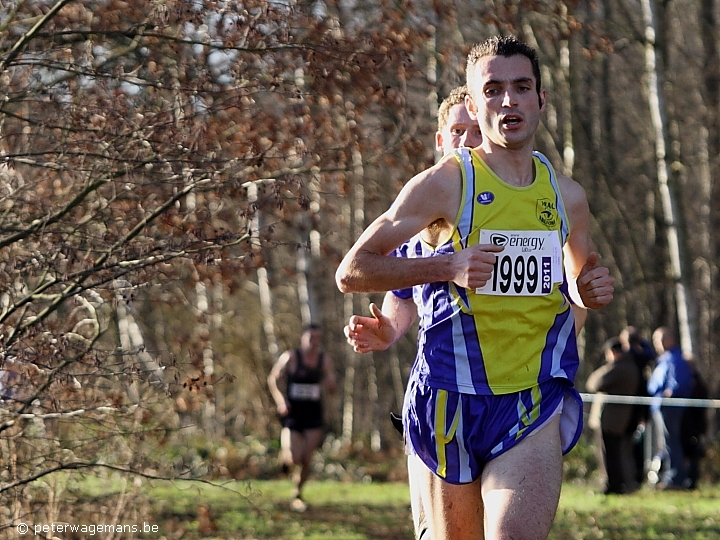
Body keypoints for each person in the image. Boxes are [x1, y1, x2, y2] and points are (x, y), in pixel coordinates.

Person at [336, 35, 614, 540]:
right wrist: (446, 267)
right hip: (449, 401)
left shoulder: (567, 196)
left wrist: (587, 290)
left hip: (532, 398)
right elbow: (353, 270)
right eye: (493, 90)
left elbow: (576, 282)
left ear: (541, 99)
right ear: (473, 100)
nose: (509, 101)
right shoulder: (444, 184)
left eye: (522, 88)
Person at [350, 84, 481, 540]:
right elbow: (401, 301)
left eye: (478, 131)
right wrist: (385, 331)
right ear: (441, 141)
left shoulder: (529, 205)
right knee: (437, 533)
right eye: (458, 131)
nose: (469, 141)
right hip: (438, 397)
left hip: (512, 395)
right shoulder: (422, 217)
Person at [267, 323, 337, 511]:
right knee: (294, 457)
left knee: (306, 459)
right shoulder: (291, 357)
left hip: (313, 414)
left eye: (317, 338)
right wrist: (281, 401)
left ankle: (297, 493)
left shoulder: (324, 360)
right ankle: (285, 460)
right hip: (293, 413)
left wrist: (331, 385)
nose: (314, 342)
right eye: (311, 338)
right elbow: (273, 378)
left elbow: (332, 386)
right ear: (303, 338)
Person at [585, 338, 640, 494]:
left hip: (611, 418)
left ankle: (612, 485)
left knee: (610, 454)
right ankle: (617, 483)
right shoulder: (629, 367)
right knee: (614, 452)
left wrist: (606, 367)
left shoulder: (620, 368)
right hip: (617, 418)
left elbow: (594, 383)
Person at [647, 326, 693, 489]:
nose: (657, 343)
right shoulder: (664, 358)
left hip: (669, 407)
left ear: (670, 339)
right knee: (665, 443)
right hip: (660, 406)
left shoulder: (675, 359)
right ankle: (670, 476)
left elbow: (679, 383)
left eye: (660, 339)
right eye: (655, 340)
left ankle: (675, 478)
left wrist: (668, 395)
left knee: (671, 442)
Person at [619, 325, 656, 484]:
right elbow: (651, 353)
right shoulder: (643, 355)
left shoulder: (627, 356)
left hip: (631, 405)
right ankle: (637, 475)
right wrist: (642, 342)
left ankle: (633, 476)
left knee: (630, 442)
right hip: (640, 403)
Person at [681, 354, 709, 489]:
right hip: (688, 422)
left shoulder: (696, 382)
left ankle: (692, 480)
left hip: (694, 423)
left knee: (693, 452)